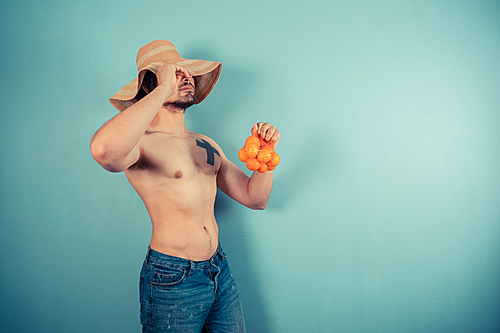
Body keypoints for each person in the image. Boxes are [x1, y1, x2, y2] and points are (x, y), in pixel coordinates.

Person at [90, 40, 280, 332]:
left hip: (219, 270)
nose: (187, 76)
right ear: (150, 87)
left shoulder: (205, 143)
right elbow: (103, 151)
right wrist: (164, 88)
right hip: (173, 277)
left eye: (187, 73)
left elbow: (256, 198)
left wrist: (264, 161)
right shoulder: (141, 144)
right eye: (175, 74)